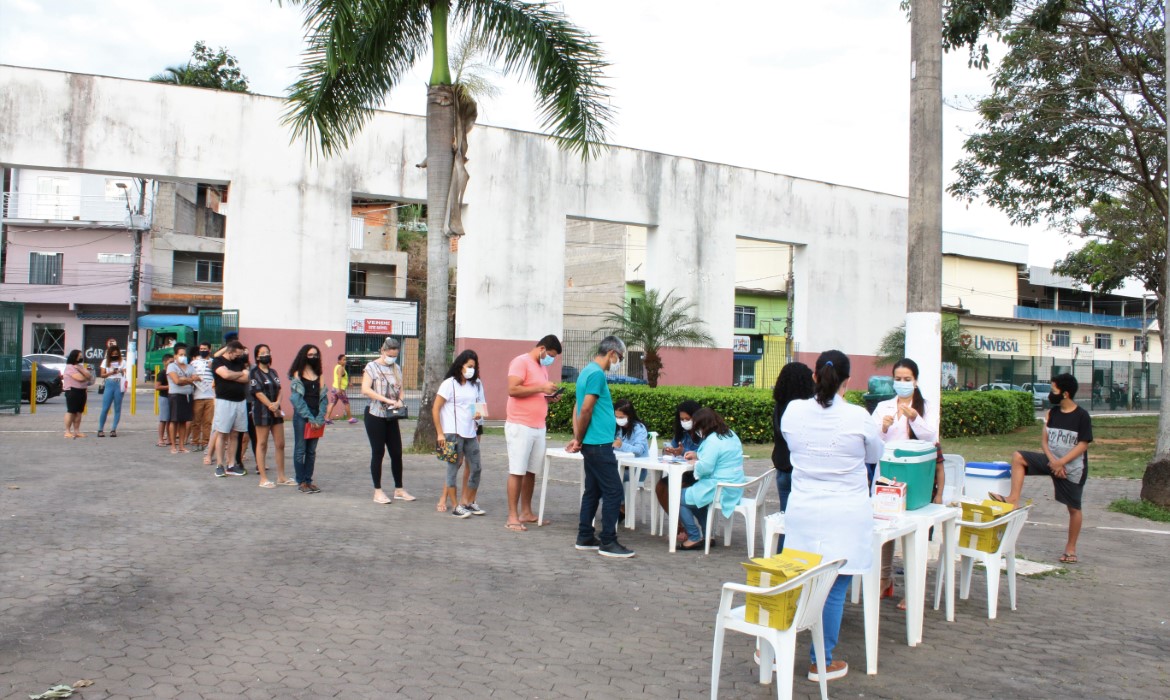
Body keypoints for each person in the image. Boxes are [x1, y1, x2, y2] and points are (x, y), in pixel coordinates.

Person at [781, 350, 882, 683]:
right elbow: (873, 454)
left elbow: (790, 443)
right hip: (846, 513)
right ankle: (820, 662)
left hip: (804, 510)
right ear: (848, 382)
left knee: (798, 581)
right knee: (834, 589)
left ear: (814, 376)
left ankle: (774, 648)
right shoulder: (858, 417)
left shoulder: (793, 411)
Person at [996, 373, 1091, 564]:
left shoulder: (1082, 416)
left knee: (1074, 509)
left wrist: (1062, 462)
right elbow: (1045, 441)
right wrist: (1052, 462)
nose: (1050, 393)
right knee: (1018, 457)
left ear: (1065, 393)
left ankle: (1070, 549)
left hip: (1071, 469)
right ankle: (1013, 499)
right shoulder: (1052, 414)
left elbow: (1083, 445)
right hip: (1052, 463)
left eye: (1053, 390)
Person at [872, 357, 941, 603]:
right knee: (884, 526)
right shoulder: (883, 407)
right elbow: (872, 442)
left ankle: (914, 589)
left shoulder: (927, 407)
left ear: (915, 381)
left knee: (913, 529)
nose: (902, 384)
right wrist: (882, 426)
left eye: (907, 379)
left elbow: (932, 438)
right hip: (888, 473)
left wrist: (914, 418)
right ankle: (883, 579)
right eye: (898, 379)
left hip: (916, 474)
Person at [566, 336, 635, 558]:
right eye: (620, 357)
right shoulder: (596, 374)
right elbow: (585, 409)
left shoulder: (586, 371)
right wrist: (580, 437)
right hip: (599, 444)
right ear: (612, 353)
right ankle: (608, 541)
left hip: (591, 442)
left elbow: (577, 407)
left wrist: (578, 437)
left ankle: (585, 536)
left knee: (593, 491)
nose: (619, 362)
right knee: (614, 491)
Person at [504, 335, 562, 531]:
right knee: (517, 470)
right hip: (520, 425)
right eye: (551, 355)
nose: (551, 359)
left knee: (531, 472)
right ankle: (512, 516)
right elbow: (513, 389)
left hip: (538, 426)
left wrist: (549, 396)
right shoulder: (521, 362)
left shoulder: (542, 367)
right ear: (542, 348)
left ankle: (526, 511)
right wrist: (541, 387)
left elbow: (535, 393)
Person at [678, 408, 746, 550]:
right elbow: (720, 456)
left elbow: (706, 467)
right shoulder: (730, 434)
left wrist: (696, 463)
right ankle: (708, 534)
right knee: (695, 499)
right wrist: (698, 455)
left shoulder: (712, 440)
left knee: (677, 498)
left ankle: (694, 536)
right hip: (734, 484)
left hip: (719, 486)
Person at [433, 350, 486, 518]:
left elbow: (480, 406)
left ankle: (468, 502)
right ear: (460, 365)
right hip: (452, 433)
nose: (472, 369)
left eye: (474, 367)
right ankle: (455, 505)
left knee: (476, 468)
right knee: (453, 469)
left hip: (471, 433)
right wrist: (440, 433)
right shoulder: (449, 384)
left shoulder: (475, 384)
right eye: (469, 366)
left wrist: (479, 415)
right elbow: (436, 408)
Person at [771, 362, 815, 551]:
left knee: (785, 517)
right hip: (801, 469)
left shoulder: (779, 406)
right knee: (803, 521)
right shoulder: (806, 409)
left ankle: (781, 555)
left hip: (782, 468)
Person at [361, 337, 408, 504]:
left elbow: (401, 389)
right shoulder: (371, 367)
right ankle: (378, 491)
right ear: (383, 351)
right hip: (375, 415)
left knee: (396, 452)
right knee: (378, 452)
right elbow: (365, 389)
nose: (392, 358)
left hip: (391, 415)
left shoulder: (396, 368)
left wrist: (400, 400)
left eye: (395, 355)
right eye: (390, 355)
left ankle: (399, 489)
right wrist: (385, 400)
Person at [657, 399, 703, 539]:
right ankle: (679, 526)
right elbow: (671, 448)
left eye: (687, 419)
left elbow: (702, 455)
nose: (684, 422)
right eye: (682, 419)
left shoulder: (703, 434)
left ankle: (690, 530)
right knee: (661, 487)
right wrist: (670, 451)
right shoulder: (682, 433)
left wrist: (685, 453)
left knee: (675, 490)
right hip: (681, 473)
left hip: (697, 475)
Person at [288, 344, 328, 494]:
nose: (313, 357)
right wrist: (310, 418)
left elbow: (323, 397)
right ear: (304, 355)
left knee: (311, 451)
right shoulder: (297, 374)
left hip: (317, 416)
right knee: (300, 449)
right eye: (310, 355)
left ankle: (309, 481)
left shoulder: (320, 374)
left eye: (315, 355)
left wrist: (319, 417)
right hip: (302, 416)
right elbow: (296, 399)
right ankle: (301, 481)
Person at [250, 344, 290, 488]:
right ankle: (263, 478)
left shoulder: (273, 372)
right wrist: (270, 405)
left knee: (280, 443)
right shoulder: (254, 373)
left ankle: (281, 476)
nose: (266, 354)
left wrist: (277, 403)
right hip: (262, 412)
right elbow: (258, 392)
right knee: (262, 443)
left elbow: (280, 389)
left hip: (276, 412)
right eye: (262, 353)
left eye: (268, 352)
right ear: (257, 356)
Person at [211, 340, 250, 477]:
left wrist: (233, 375)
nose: (238, 357)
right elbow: (225, 375)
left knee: (236, 434)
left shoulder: (239, 362)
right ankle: (220, 465)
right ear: (229, 351)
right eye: (236, 354)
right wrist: (238, 374)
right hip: (224, 401)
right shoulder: (218, 361)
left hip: (240, 401)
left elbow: (246, 378)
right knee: (222, 433)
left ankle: (231, 465)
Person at [166, 343, 198, 454]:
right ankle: (173, 446)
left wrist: (186, 379)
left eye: (184, 354)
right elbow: (177, 381)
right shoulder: (171, 366)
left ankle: (181, 445)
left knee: (184, 422)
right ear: (175, 356)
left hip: (188, 396)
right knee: (174, 421)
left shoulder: (190, 366)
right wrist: (189, 379)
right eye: (180, 354)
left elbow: (195, 377)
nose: (183, 356)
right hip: (175, 396)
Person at [189, 341, 216, 452]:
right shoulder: (194, 363)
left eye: (205, 349)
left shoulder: (214, 362)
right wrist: (193, 377)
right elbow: (189, 374)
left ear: (209, 350)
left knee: (208, 421)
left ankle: (206, 442)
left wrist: (213, 368)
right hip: (197, 396)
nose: (203, 351)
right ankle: (195, 441)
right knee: (196, 421)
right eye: (201, 349)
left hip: (211, 396)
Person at [96, 346, 126, 437]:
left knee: (117, 408)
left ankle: (113, 429)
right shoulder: (105, 361)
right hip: (109, 382)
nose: (114, 355)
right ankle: (100, 429)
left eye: (116, 354)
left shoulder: (123, 362)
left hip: (119, 383)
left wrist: (120, 370)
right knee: (105, 408)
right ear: (109, 354)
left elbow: (125, 372)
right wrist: (110, 372)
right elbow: (102, 375)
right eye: (113, 354)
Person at [62, 349, 92, 439]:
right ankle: (67, 431)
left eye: (81, 356)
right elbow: (80, 378)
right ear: (74, 357)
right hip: (72, 391)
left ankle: (77, 431)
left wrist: (83, 372)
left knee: (79, 412)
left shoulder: (80, 366)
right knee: (71, 411)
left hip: (82, 391)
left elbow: (89, 376)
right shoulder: (70, 367)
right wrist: (85, 375)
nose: (81, 357)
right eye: (79, 356)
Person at [327, 353, 358, 424]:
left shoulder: (337, 367)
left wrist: (348, 382)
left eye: (345, 360)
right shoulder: (340, 368)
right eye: (343, 360)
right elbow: (339, 379)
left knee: (332, 403)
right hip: (339, 389)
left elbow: (344, 377)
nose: (345, 361)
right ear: (339, 361)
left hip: (334, 388)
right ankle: (350, 418)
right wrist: (340, 389)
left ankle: (327, 418)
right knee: (346, 403)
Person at [155, 353, 173, 446]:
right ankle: (160, 439)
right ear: (164, 362)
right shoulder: (162, 373)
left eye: (173, 362)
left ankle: (169, 438)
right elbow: (157, 387)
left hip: (171, 397)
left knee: (170, 420)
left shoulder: (172, 373)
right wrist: (169, 387)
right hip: (164, 397)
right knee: (163, 419)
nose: (171, 364)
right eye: (170, 362)